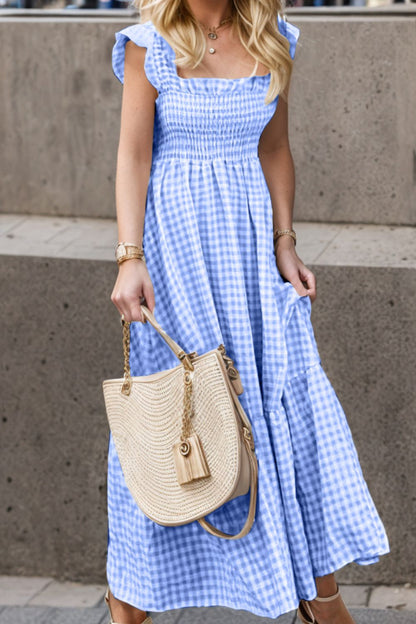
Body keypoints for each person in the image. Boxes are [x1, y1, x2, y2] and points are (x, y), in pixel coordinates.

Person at [105, 1, 390, 623]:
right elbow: (134, 156)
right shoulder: (147, 43)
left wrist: (286, 243)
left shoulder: (274, 37)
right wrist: (130, 257)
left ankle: (321, 596)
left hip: (252, 263)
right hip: (177, 258)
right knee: (174, 422)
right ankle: (130, 603)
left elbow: (276, 150)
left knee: (286, 413)